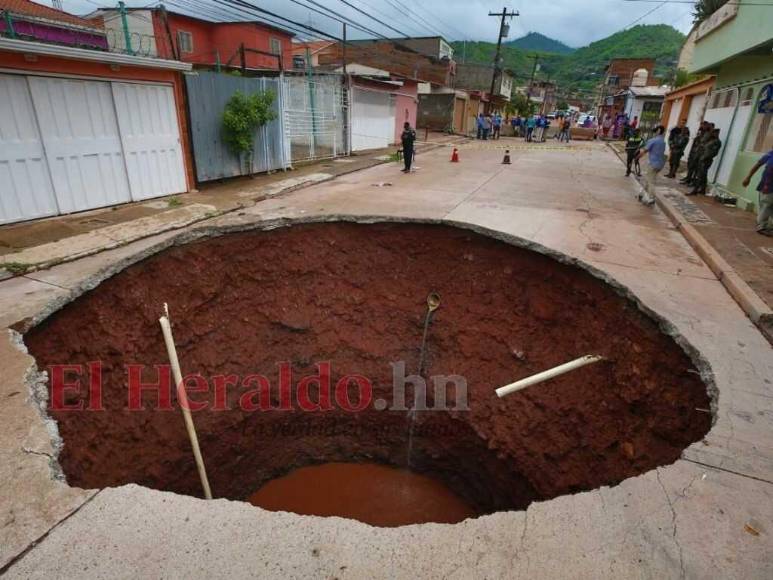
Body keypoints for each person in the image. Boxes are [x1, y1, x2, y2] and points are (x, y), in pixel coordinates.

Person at [742, 148, 773, 236]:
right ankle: (762, 226)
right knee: (766, 205)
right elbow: (758, 165)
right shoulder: (770, 154)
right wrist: (748, 177)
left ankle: (765, 225)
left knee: (768, 205)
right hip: (767, 185)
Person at [637, 125, 667, 206]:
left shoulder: (653, 140)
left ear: (658, 131)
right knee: (648, 179)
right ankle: (641, 194)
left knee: (651, 181)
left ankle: (651, 198)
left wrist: (637, 157)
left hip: (653, 163)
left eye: (655, 131)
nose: (654, 133)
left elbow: (645, 151)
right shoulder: (663, 142)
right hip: (660, 164)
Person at [689, 128, 722, 196]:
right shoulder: (710, 140)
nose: (714, 134)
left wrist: (705, 157)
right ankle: (703, 190)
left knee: (700, 175)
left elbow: (714, 153)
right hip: (702, 159)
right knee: (703, 175)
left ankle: (695, 190)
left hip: (706, 160)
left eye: (716, 133)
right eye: (713, 133)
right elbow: (703, 144)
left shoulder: (717, 142)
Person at [681, 121, 711, 186]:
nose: (702, 126)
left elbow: (702, 143)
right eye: (701, 125)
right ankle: (688, 179)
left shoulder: (707, 134)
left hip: (700, 154)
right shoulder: (701, 132)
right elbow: (696, 143)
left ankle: (694, 182)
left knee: (697, 169)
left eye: (703, 125)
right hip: (695, 152)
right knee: (691, 167)